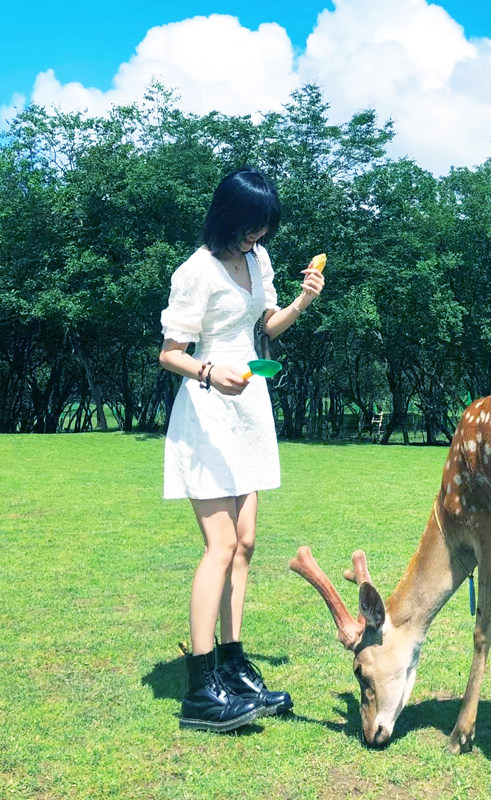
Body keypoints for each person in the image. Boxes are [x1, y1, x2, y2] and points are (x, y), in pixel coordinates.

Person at [159, 167, 325, 732]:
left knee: (247, 542)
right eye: (251, 227)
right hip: (207, 408)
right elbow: (170, 353)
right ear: (228, 217)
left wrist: (302, 300)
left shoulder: (257, 262)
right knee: (221, 543)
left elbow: (265, 329)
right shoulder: (196, 272)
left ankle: (233, 665)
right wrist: (208, 372)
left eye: (265, 229)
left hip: (250, 403)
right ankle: (201, 688)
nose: (258, 238)